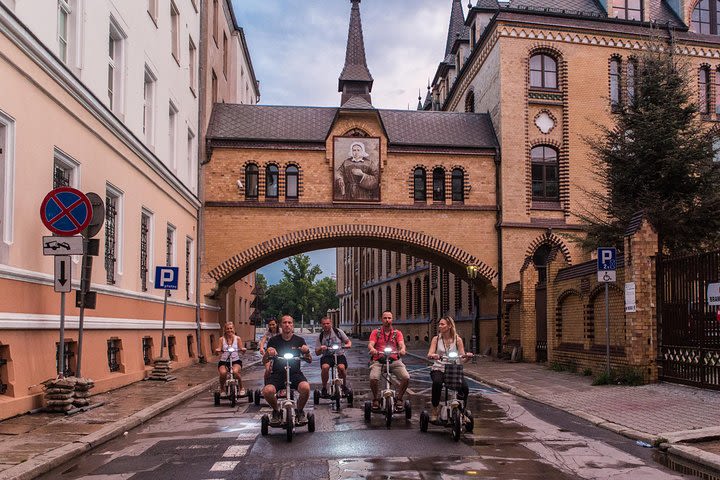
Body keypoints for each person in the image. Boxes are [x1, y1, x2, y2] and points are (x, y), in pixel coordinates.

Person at [262, 315, 312, 425]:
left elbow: (309, 360)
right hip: (278, 373)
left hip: (295, 373)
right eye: (284, 322)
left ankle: (299, 411)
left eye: (289, 322)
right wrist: (268, 352)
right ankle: (276, 411)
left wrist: (307, 352)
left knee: (306, 388)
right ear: (280, 325)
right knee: (267, 391)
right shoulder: (273, 340)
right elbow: (264, 360)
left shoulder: (299, 340)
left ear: (293, 325)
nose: (287, 325)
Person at [426, 316, 472, 422]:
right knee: (437, 383)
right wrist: (434, 355)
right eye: (439, 324)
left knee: (464, 388)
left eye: (442, 324)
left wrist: (467, 357)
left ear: (450, 326)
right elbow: (430, 353)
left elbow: (462, 358)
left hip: (453, 369)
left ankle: (462, 412)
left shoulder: (458, 340)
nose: (440, 326)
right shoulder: (436, 339)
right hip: (439, 368)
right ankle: (435, 409)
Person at [367, 310, 410, 412]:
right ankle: (376, 399)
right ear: (381, 319)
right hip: (378, 360)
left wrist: (402, 349)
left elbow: (401, 344)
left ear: (392, 319)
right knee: (373, 378)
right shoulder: (376, 332)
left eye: (389, 318)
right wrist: (372, 349)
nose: (387, 320)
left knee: (406, 377)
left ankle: (399, 398)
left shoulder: (397, 333)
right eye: (385, 318)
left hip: (394, 360)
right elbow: (370, 344)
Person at [315, 316, 352, 396]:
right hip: (327, 356)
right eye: (324, 324)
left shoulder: (338, 332)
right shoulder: (320, 336)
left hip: (339, 354)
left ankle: (344, 385)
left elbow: (348, 342)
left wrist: (347, 345)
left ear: (331, 323)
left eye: (328, 323)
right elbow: (317, 352)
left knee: (341, 368)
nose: (326, 325)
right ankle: (324, 387)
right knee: (325, 367)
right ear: (321, 325)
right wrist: (321, 348)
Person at [215, 322, 247, 396]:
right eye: (227, 329)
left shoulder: (238, 338)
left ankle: (241, 387)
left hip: (236, 361)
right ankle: (222, 389)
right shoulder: (221, 339)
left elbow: (241, 350)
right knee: (223, 373)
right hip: (224, 361)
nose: (229, 330)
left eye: (231, 328)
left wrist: (243, 350)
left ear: (234, 329)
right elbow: (218, 350)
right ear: (225, 330)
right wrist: (217, 350)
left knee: (235, 372)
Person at [258, 318, 279, 382]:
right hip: (269, 354)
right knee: (268, 370)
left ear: (277, 324)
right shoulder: (268, 333)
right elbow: (263, 341)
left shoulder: (281, 332)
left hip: (280, 353)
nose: (271, 326)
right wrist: (261, 348)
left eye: (273, 324)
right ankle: (265, 386)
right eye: (270, 325)